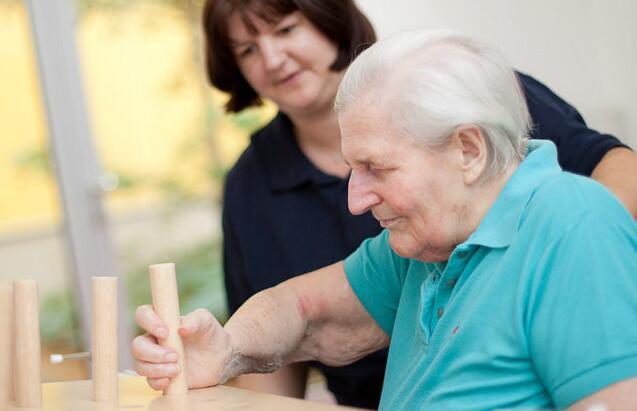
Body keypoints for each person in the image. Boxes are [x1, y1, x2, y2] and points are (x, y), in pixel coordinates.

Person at [132, 30, 637, 410]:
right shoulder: (425, 245)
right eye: (353, 168)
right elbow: (304, 310)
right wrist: (227, 349)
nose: (355, 200)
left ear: (468, 150)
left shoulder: (570, 225)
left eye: (376, 168)